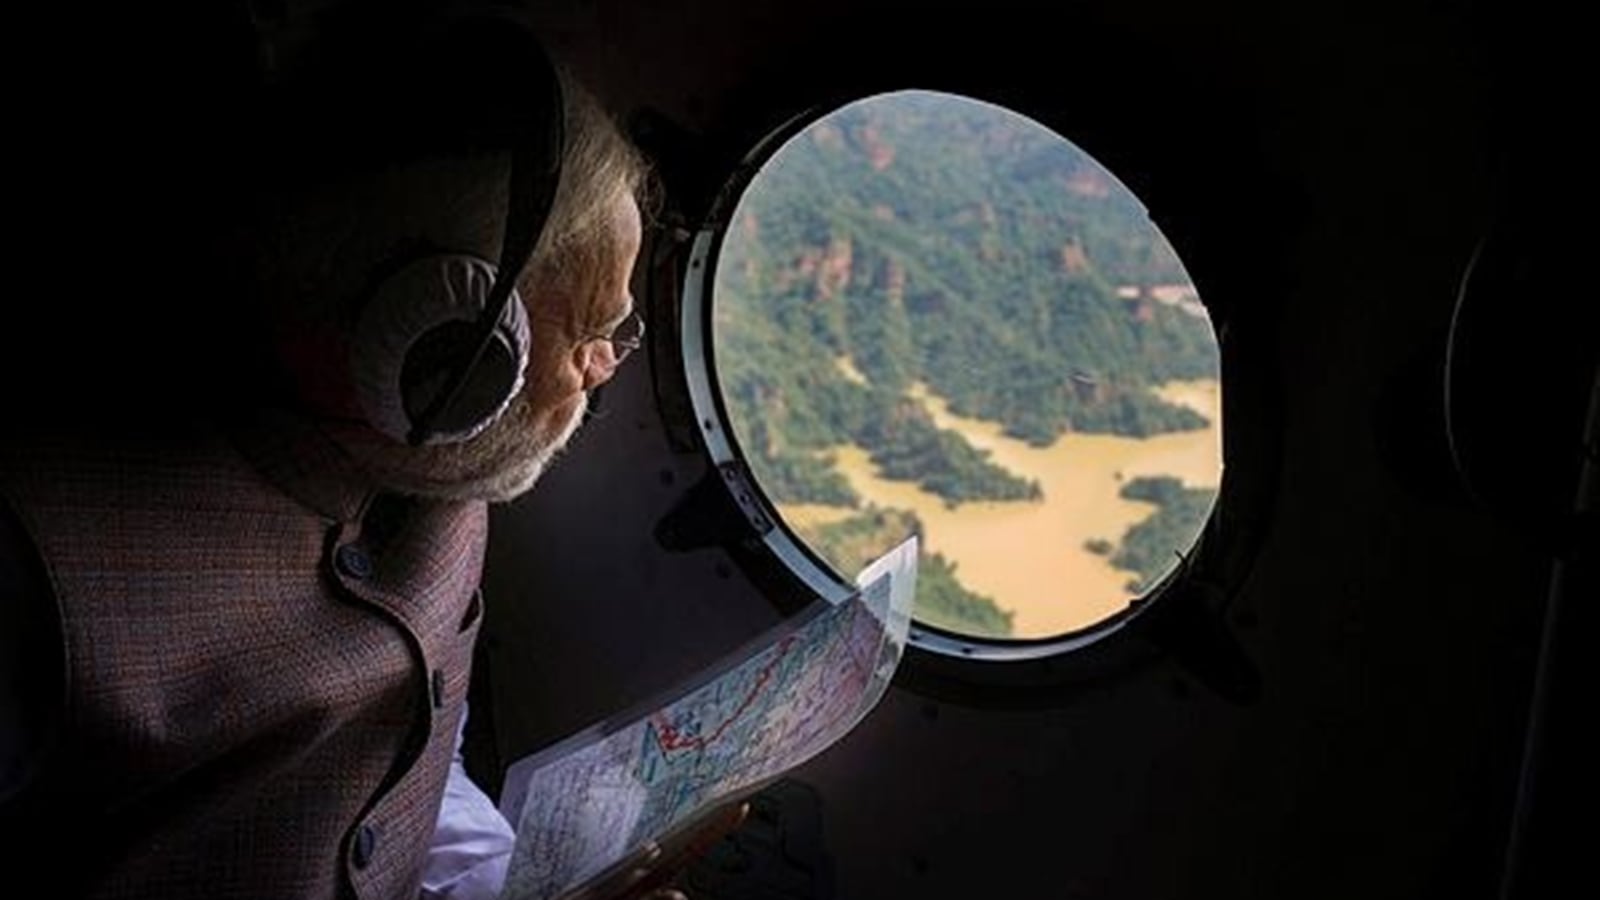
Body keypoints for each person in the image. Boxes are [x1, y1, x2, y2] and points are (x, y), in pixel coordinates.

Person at [0, 3, 688, 897]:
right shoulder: (34, 568)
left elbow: (407, 766)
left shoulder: (443, 475)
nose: (605, 367)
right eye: (592, 329)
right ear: (441, 345)